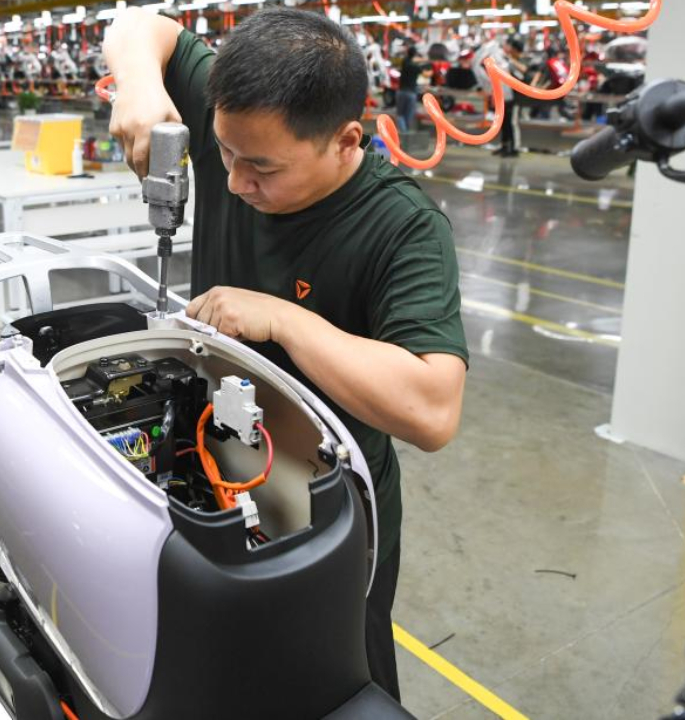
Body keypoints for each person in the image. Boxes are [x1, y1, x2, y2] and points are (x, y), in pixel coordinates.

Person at [104, 7, 468, 702]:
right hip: (220, 465)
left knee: (331, 677)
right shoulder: (243, 115)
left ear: (344, 141)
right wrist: (141, 85)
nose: (235, 182)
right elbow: (137, 23)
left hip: (329, 507)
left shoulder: (403, 229)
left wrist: (284, 320)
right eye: (225, 153)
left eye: (262, 168)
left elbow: (433, 408)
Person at [473, 36, 527, 157]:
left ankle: (514, 148)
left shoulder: (514, 60)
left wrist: (510, 61)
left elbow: (523, 73)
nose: (509, 49)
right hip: (503, 95)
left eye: (511, 48)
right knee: (502, 122)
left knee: (511, 123)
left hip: (514, 97)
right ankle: (504, 146)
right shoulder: (503, 58)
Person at [394, 46, 429, 134]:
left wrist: (421, 60)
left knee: (400, 114)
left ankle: (403, 133)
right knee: (408, 116)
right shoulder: (415, 67)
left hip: (401, 92)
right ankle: (406, 134)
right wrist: (426, 61)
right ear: (415, 55)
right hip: (411, 94)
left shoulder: (404, 62)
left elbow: (411, 59)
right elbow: (426, 74)